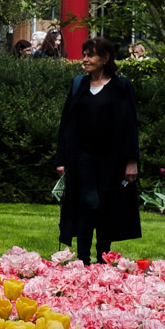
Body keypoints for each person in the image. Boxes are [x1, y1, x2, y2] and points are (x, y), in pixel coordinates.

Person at [54, 35, 140, 265]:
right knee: (86, 204)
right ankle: (82, 259)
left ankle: (103, 259)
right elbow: (66, 124)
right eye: (84, 55)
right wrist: (61, 159)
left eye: (90, 55)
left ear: (105, 58)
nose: (85, 59)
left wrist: (132, 161)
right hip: (81, 158)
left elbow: (131, 124)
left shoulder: (121, 87)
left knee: (105, 207)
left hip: (111, 160)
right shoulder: (78, 84)